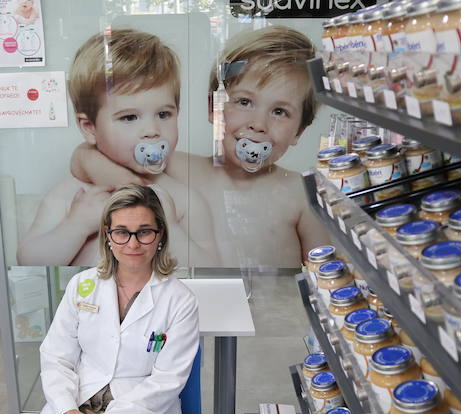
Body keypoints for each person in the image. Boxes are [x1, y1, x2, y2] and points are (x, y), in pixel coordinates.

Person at [70, 25, 330, 268]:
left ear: (300, 131)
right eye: (244, 102)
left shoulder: (303, 193)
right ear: (213, 108)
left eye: (280, 111)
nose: (258, 124)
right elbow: (84, 156)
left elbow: (327, 274)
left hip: (267, 309)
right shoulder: (179, 167)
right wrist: (128, 183)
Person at [20, 185, 200, 414]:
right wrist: (67, 412)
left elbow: (164, 385)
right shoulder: (83, 285)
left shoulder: (179, 301)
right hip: (76, 408)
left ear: (160, 236)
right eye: (121, 232)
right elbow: (56, 357)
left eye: (144, 232)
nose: (132, 243)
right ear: (107, 235)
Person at [16, 29, 219, 267]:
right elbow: (29, 260)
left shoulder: (182, 200)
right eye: (129, 117)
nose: (152, 130)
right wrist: (76, 225)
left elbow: (210, 267)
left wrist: (170, 226)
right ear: (90, 127)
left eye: (164, 114)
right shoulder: (73, 196)